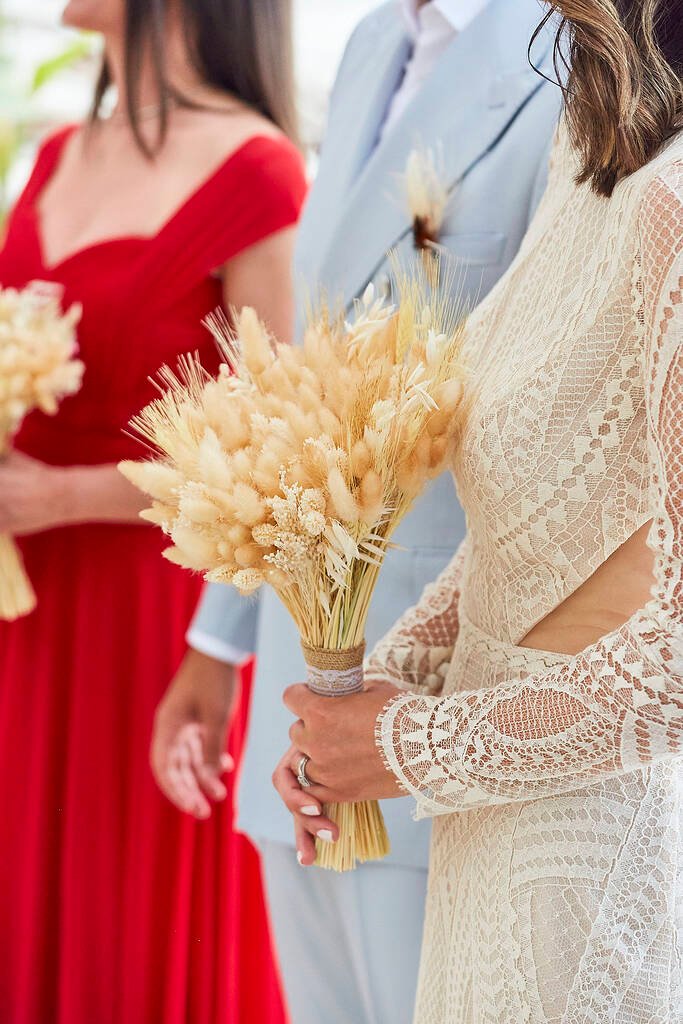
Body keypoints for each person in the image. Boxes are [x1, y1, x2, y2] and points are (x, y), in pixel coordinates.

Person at [152, 2, 563, 1021]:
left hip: (443, 697)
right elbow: (303, 378)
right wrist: (219, 638)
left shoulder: (579, 51)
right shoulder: (373, 41)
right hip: (304, 689)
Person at [274, 1, 683, 1022]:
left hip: (584, 861)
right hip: (483, 847)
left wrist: (412, 746)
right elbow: (532, 513)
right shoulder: (591, 135)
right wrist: (369, 695)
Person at [0, 1, 306, 1022]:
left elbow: (275, 440)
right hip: (25, 617)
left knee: (125, 937)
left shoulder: (258, 170)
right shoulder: (51, 158)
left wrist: (65, 495)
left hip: (160, 624)